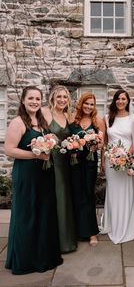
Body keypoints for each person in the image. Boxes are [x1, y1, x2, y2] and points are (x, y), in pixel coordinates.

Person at [4, 86, 63, 275]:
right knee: (27, 214)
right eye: (31, 98)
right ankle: (26, 260)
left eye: (38, 99)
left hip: (44, 174)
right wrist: (35, 155)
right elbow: (10, 150)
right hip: (27, 174)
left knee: (44, 213)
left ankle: (44, 256)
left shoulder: (42, 120)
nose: (35, 102)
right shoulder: (18, 122)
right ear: (23, 100)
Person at [101, 89, 134, 244]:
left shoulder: (133, 118)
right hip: (111, 162)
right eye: (118, 99)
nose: (120, 101)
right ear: (114, 101)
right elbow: (104, 142)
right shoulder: (106, 118)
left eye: (123, 99)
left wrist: (126, 157)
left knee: (126, 192)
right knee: (113, 192)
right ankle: (112, 225)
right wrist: (104, 161)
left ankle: (127, 227)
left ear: (128, 101)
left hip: (127, 161)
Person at [42, 85, 77, 253]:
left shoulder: (67, 115)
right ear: (53, 98)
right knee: (52, 198)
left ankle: (66, 240)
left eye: (65, 97)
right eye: (59, 97)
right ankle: (52, 241)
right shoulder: (45, 112)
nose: (62, 100)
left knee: (64, 199)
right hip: (50, 162)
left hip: (65, 163)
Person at [69, 92, 105, 246]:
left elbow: (102, 143)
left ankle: (91, 232)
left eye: (92, 104)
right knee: (75, 193)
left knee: (88, 194)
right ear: (81, 103)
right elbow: (66, 137)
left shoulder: (98, 121)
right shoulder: (72, 118)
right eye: (86, 103)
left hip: (90, 161)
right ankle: (77, 231)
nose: (89, 106)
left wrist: (96, 144)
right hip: (74, 161)